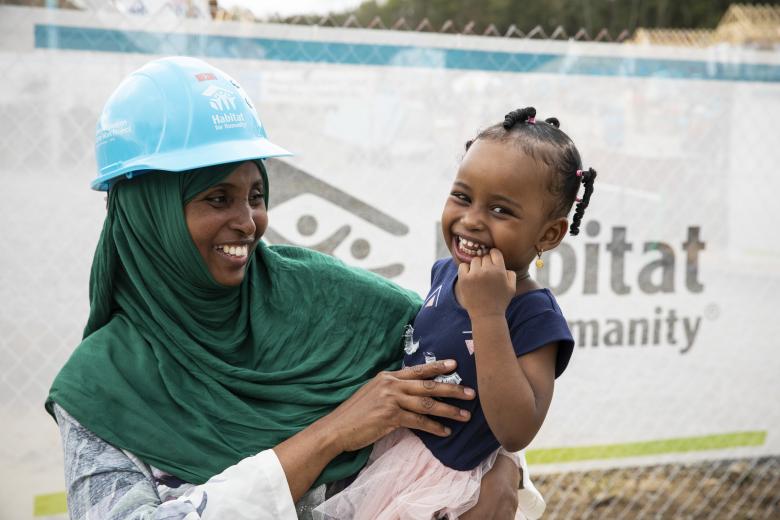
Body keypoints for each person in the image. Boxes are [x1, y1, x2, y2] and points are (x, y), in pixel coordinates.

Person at [45, 56, 525, 520]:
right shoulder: (101, 386)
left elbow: (470, 379)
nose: (248, 222)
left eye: (255, 195)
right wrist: (330, 434)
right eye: (217, 198)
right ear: (151, 215)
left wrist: (506, 468)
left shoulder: (331, 300)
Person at [314, 107, 597, 519]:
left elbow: (516, 431)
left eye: (501, 210)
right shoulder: (445, 271)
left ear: (548, 234)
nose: (472, 220)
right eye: (462, 197)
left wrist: (488, 316)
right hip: (394, 457)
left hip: (452, 485)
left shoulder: (534, 315)